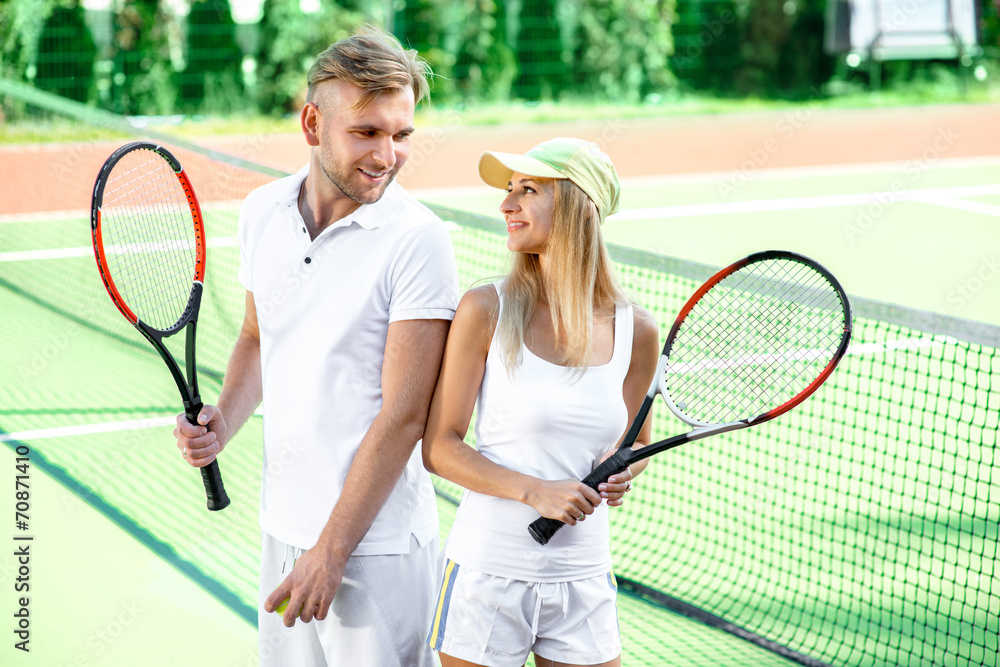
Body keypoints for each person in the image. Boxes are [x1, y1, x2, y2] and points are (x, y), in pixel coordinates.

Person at [173, 28, 459, 666]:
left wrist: (330, 552)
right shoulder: (260, 212)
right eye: (367, 132)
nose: (387, 154)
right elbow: (256, 336)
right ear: (312, 124)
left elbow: (404, 415)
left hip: (375, 549)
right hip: (283, 529)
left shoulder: (419, 241)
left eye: (401, 134)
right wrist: (225, 420)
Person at [422, 137, 660, 667]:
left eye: (527, 190)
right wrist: (536, 492)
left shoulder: (636, 330)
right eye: (509, 190)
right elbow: (439, 447)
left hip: (584, 578)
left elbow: (637, 441)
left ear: (578, 206)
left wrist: (624, 468)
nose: (507, 205)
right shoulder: (486, 308)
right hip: (488, 575)